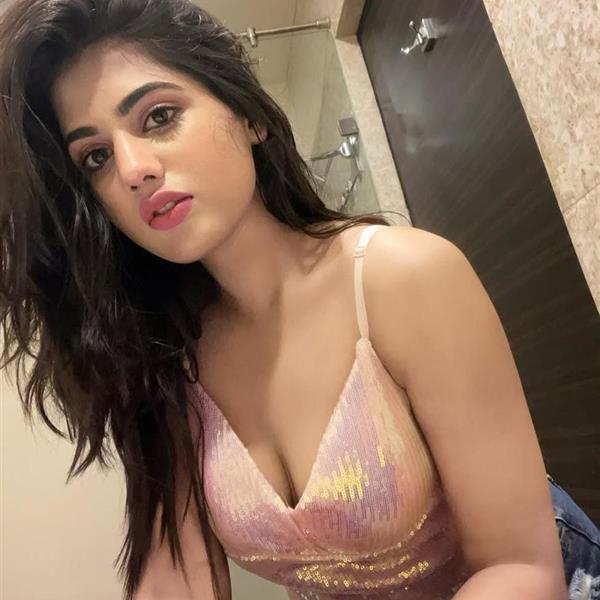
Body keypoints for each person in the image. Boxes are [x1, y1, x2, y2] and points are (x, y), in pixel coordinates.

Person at [0, 1, 597, 599]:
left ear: (249, 114)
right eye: (96, 157)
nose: (133, 169)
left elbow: (521, 566)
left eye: (159, 116)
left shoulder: (401, 277)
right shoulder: (172, 358)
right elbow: (175, 574)